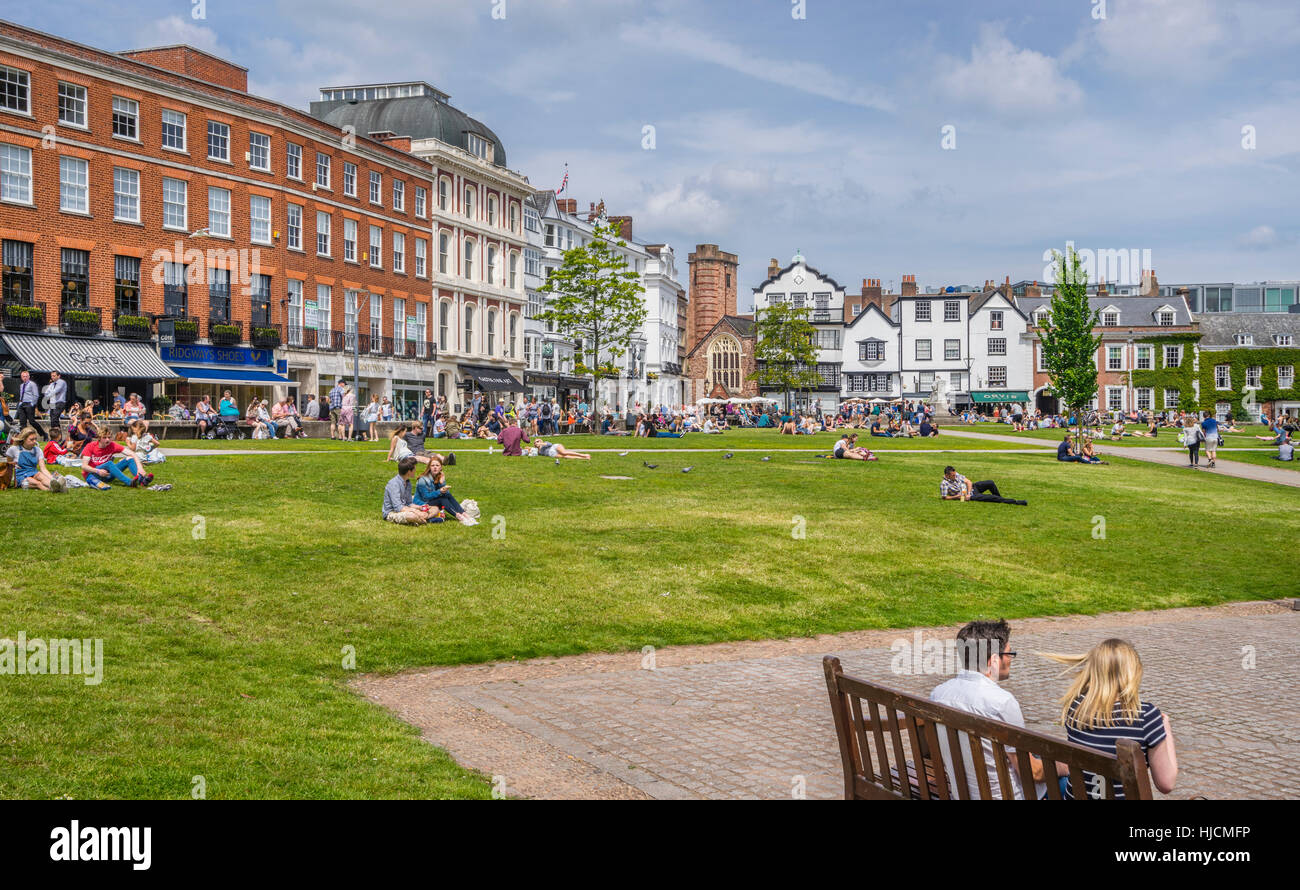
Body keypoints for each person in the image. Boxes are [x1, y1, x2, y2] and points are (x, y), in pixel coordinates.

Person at [931, 619, 1061, 800]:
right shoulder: (1002, 702)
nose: (1010, 659)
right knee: (1066, 782)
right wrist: (1065, 767)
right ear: (993, 659)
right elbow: (1033, 773)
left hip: (961, 794)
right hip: (1004, 796)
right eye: (1009, 654)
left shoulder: (939, 694)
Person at [1040, 639, 1178, 799]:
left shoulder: (1076, 708)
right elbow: (1166, 783)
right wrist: (1165, 728)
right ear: (1133, 672)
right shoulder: (1146, 716)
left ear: (1094, 671)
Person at [414, 454, 477, 525]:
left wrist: (442, 483)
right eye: (432, 465)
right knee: (442, 499)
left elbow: (446, 494)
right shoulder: (423, 480)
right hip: (422, 503)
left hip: (431, 501)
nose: (435, 467)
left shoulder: (438, 476)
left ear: (441, 467)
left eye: (437, 465)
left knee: (447, 495)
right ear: (429, 467)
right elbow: (425, 497)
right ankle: (460, 517)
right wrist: (440, 491)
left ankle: (465, 515)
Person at [81, 426, 152, 488]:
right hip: (93, 475)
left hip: (107, 475)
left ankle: (142, 480)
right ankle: (130, 482)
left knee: (129, 459)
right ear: (99, 438)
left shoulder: (112, 445)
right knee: (109, 463)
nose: (107, 440)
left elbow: (132, 453)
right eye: (104, 438)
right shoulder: (90, 446)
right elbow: (84, 466)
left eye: (109, 437)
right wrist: (98, 471)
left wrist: (140, 468)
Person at [940, 465, 1026, 505]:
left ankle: (1000, 499)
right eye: (953, 475)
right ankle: (1016, 502)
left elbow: (968, 482)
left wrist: (969, 492)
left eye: (955, 474)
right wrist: (958, 496)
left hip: (971, 489)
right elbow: (944, 497)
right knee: (990, 497)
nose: (955, 476)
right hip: (965, 496)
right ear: (947, 475)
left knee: (990, 482)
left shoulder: (956, 474)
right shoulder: (944, 484)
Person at [381, 456, 431, 525]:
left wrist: (420, 507)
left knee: (434, 509)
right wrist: (416, 512)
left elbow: (409, 503)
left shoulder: (408, 483)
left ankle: (419, 519)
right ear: (409, 471)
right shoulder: (393, 484)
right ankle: (422, 520)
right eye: (414, 469)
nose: (415, 471)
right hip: (392, 513)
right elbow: (398, 508)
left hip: (405, 509)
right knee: (412, 516)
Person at [11, 427, 58, 491]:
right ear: (24, 439)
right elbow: (9, 466)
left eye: (35, 439)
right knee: (38, 483)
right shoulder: (14, 449)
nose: (34, 441)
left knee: (41, 475)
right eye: (31, 439)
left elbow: (43, 469)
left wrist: (52, 479)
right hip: (22, 475)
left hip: (34, 472)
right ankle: (50, 490)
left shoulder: (38, 450)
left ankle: (55, 485)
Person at [15, 370, 46, 439]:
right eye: (23, 376)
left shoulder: (32, 384)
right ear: (21, 377)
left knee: (32, 421)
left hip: (29, 404)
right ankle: (24, 437)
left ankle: (44, 434)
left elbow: (36, 395)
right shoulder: (21, 385)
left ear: (29, 377)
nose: (25, 378)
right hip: (22, 404)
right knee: (22, 422)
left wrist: (32, 404)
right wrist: (20, 403)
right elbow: (21, 395)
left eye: (26, 376)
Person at [45, 370, 67, 436]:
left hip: (59, 402)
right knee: (52, 419)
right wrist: (49, 394)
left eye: (54, 376)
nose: (52, 377)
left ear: (58, 376)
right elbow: (46, 393)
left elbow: (56, 391)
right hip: (52, 403)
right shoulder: (52, 384)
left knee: (54, 418)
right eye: (51, 376)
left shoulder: (61, 382)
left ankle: (57, 435)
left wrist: (49, 394)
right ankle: (56, 436)